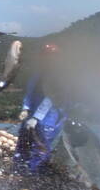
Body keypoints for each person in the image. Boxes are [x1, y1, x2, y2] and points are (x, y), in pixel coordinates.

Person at [14, 43, 67, 176]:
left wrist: (37, 117)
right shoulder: (37, 75)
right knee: (23, 142)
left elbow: (50, 99)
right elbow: (29, 93)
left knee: (41, 146)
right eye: (45, 56)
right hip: (31, 115)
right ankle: (18, 171)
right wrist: (25, 109)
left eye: (51, 57)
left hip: (49, 117)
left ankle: (35, 175)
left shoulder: (59, 77)